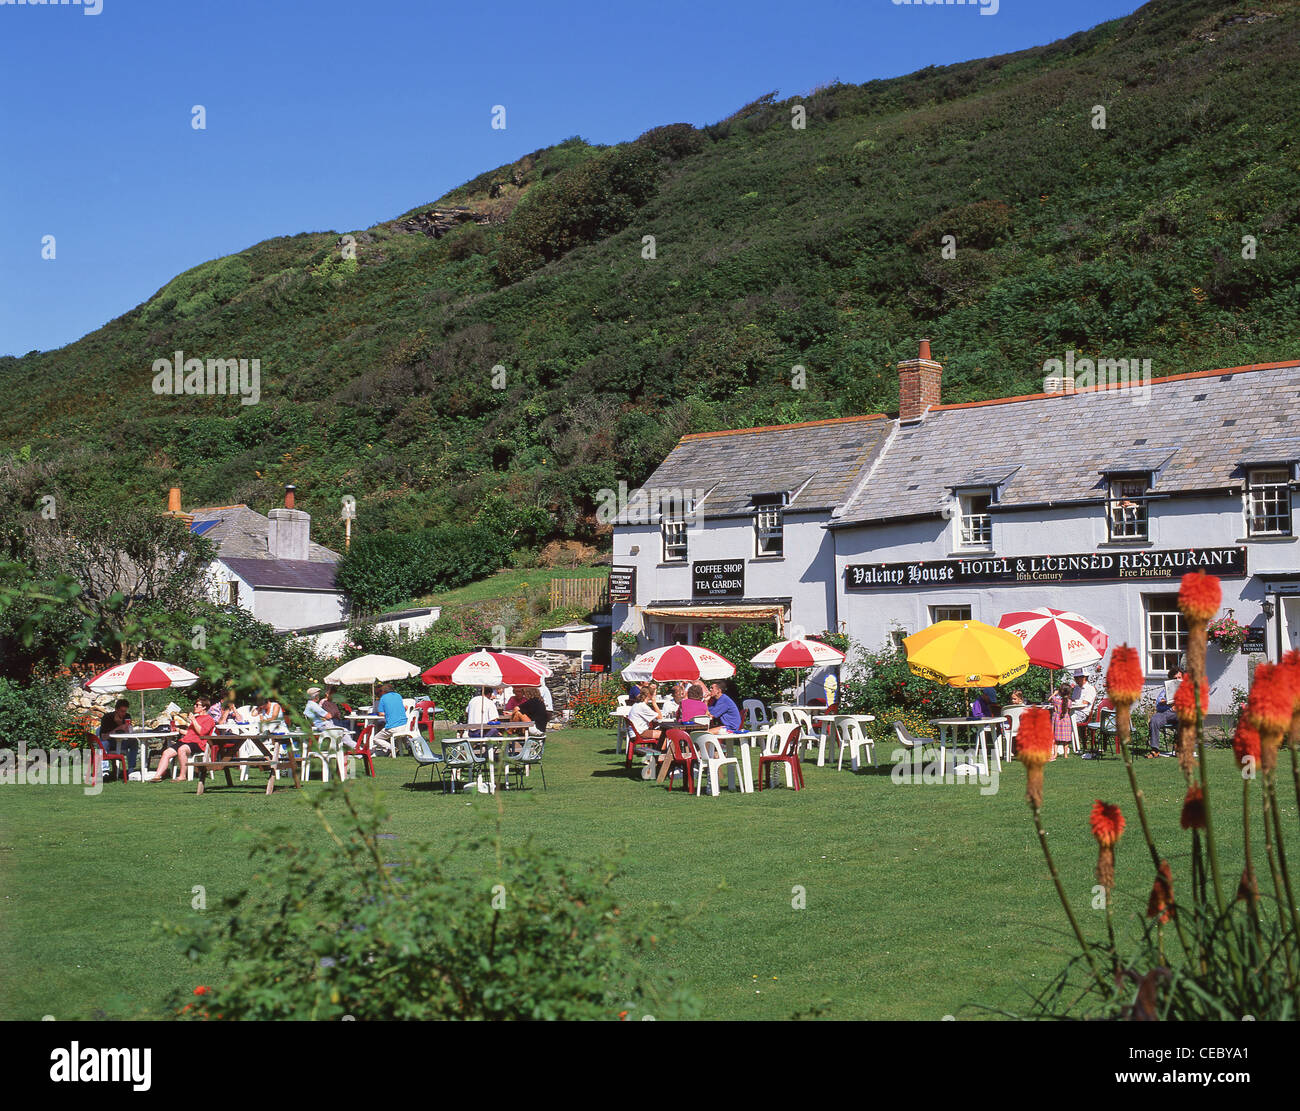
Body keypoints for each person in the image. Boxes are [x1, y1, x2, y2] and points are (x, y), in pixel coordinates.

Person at [151, 696, 215, 781]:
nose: (194, 706)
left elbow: (201, 732)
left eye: (197, 705)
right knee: (166, 752)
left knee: (182, 749)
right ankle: (157, 776)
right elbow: (190, 733)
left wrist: (193, 720)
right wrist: (179, 730)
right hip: (186, 741)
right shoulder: (196, 718)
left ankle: (182, 776)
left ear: (204, 707)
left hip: (198, 743)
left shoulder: (209, 719)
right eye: (195, 704)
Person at [1147, 668, 1180, 757]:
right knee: (1154, 720)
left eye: (1179, 678)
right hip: (1166, 712)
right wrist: (1166, 702)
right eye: (1175, 678)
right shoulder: (1166, 691)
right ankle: (1155, 750)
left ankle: (1179, 747)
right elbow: (1158, 705)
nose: (1177, 680)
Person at [97, 699, 135, 774]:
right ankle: (105, 770)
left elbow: (129, 733)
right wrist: (119, 727)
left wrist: (127, 727)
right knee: (103, 743)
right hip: (110, 743)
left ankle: (131, 768)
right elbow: (103, 737)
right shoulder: (107, 718)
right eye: (122, 711)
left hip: (123, 742)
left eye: (125, 711)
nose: (123, 713)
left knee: (134, 742)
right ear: (116, 710)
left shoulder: (127, 717)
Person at [370, 683, 405, 756]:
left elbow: (381, 713)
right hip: (404, 725)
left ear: (383, 691)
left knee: (376, 739)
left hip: (393, 727)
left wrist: (387, 712)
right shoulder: (398, 696)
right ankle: (405, 748)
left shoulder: (383, 698)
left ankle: (392, 748)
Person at [1049, 680, 1075, 758]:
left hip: (1057, 719)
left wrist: (1054, 693)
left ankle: (1055, 754)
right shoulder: (1069, 701)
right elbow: (1069, 709)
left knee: (1056, 738)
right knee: (1065, 738)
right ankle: (1065, 755)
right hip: (1065, 720)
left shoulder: (1056, 700)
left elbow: (1050, 699)